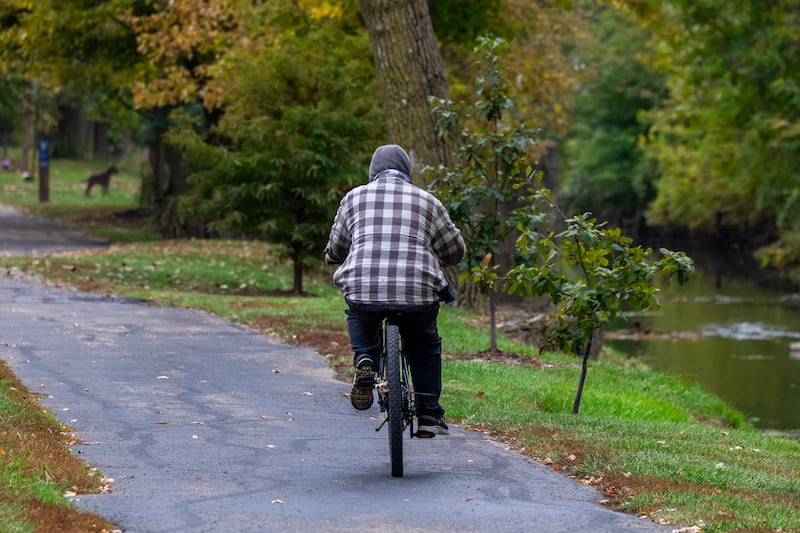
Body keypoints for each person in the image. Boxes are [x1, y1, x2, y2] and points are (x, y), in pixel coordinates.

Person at [324, 144, 466, 436]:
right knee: (424, 344)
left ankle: (365, 358)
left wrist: (332, 255)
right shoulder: (428, 201)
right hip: (416, 293)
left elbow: (337, 246)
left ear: (373, 171)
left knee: (360, 312)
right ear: (407, 172)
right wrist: (442, 256)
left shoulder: (353, 198)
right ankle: (428, 415)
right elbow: (454, 249)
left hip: (365, 289)